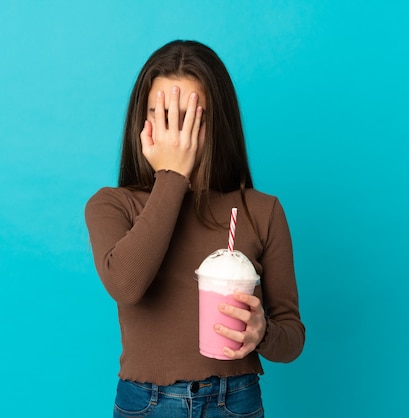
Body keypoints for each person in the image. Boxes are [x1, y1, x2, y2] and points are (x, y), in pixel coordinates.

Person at [85, 40, 305, 418]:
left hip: (234, 401)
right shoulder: (112, 205)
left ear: (216, 124)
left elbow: (292, 338)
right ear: (143, 121)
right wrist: (172, 177)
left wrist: (262, 332)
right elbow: (126, 284)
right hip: (146, 404)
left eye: (188, 118)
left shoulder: (261, 210)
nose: (174, 134)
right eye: (162, 115)